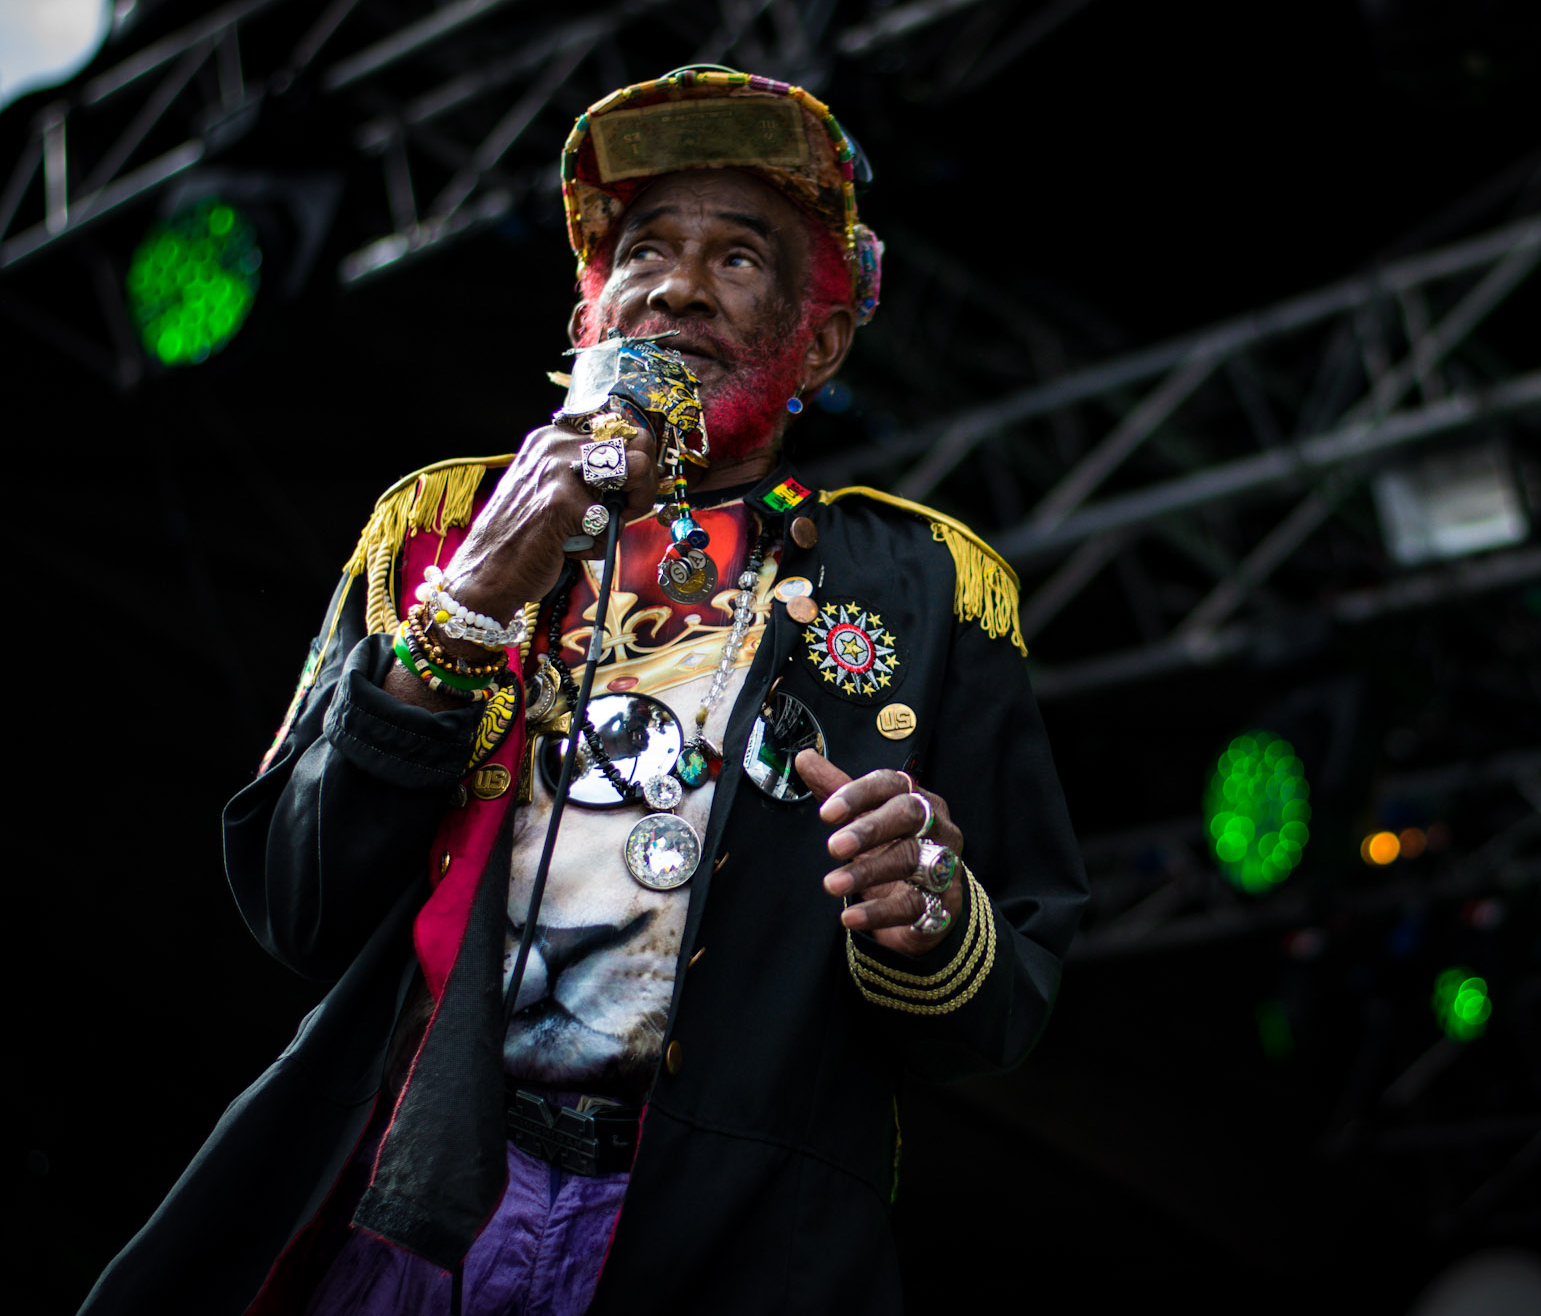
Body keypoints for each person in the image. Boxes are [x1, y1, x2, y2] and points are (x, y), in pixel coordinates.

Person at [82, 65, 1088, 1315]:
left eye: (736, 258)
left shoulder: (929, 587)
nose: (674, 283)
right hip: (410, 1205)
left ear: (816, 339)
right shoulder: (439, 525)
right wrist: (469, 607)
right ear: (586, 316)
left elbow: (1002, 1012)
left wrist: (926, 908)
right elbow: (302, 899)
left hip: (725, 1244)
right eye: (643, 250)